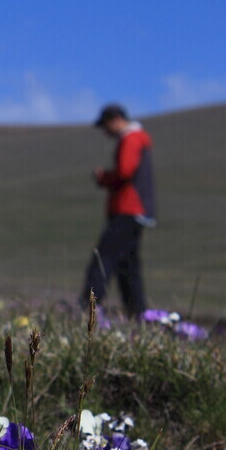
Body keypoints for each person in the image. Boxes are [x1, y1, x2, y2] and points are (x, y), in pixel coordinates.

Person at [80, 104, 157, 318]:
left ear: (115, 119)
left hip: (128, 209)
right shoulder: (137, 138)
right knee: (127, 266)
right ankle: (137, 313)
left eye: (105, 126)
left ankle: (88, 307)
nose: (106, 132)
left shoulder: (131, 138)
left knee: (103, 259)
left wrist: (103, 177)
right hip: (137, 211)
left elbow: (125, 170)